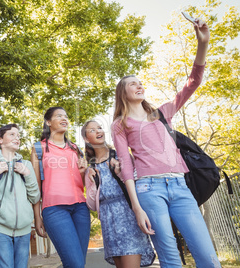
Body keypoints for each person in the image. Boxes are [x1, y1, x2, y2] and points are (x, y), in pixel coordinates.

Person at [111, 19, 221, 267]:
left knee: (207, 256)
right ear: (123, 93)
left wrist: (202, 43)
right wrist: (137, 208)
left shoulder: (162, 113)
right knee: (170, 257)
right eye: (132, 84)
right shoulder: (120, 124)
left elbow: (192, 82)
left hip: (180, 187)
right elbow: (126, 165)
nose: (139, 85)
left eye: (140, 82)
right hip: (149, 190)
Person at [82, 120, 155, 268]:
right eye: (92, 130)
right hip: (108, 222)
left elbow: (137, 182)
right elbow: (92, 205)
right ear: (85, 138)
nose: (98, 131)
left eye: (100, 128)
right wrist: (92, 183)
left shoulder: (120, 156)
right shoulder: (91, 167)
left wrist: (121, 173)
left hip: (128, 216)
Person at [0, 124, 40, 268]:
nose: (17, 138)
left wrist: (27, 175)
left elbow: (35, 198)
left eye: (18, 135)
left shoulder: (27, 165)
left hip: (24, 229)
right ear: (0, 139)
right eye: (12, 134)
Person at [31, 107, 90, 268]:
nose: (64, 119)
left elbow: (83, 184)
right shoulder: (39, 148)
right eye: (59, 116)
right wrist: (37, 217)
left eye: (65, 116)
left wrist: (84, 172)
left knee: (78, 263)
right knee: (75, 264)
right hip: (55, 209)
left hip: (80, 208)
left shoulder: (75, 148)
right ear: (48, 122)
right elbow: (35, 187)